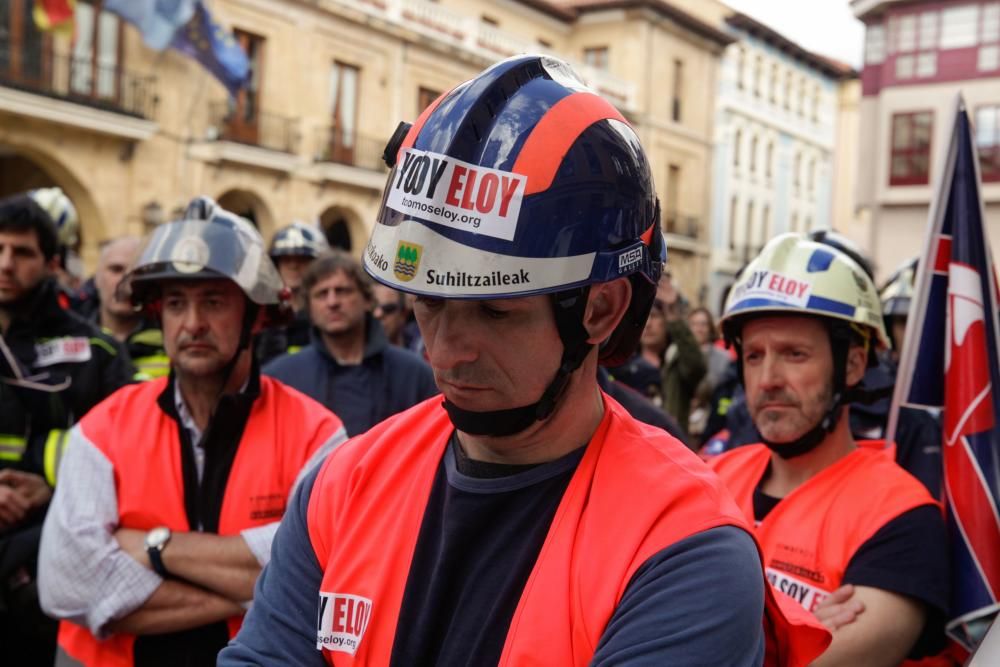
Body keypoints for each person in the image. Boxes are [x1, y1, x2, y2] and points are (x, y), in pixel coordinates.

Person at [221, 54, 828, 666]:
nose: (445, 351)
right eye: (427, 303)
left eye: (494, 311)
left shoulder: (683, 543)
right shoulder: (342, 483)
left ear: (600, 310)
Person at [37, 197, 348, 667]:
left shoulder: (317, 433)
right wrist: (258, 584)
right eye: (176, 303)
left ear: (257, 315)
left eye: (214, 301)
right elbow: (68, 584)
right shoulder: (103, 428)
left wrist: (149, 546)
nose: (193, 323)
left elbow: (325, 573)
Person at [708, 233, 949, 665]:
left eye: (794, 354)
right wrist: (796, 634)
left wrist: (702, 619)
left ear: (853, 364)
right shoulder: (709, 478)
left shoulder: (903, 517)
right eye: (755, 356)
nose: (768, 380)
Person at [0, 192, 133, 666]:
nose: (5, 264)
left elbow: (129, 462)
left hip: (49, 570)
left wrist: (52, 485)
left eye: (22, 252)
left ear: (53, 262)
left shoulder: (96, 353)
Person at [264, 251, 438, 437]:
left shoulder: (414, 375)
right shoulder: (281, 379)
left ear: (367, 301)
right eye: (322, 294)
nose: (332, 302)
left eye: (342, 291)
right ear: (310, 310)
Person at [92, 235, 170, 379]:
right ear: (96, 278)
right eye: (116, 269)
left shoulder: (171, 341)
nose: (125, 282)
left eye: (138, 272)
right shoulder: (75, 339)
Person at [256, 221, 329, 365]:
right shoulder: (262, 313)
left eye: (302, 259)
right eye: (286, 259)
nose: (293, 265)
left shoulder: (329, 310)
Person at [687, 306, 733, 439]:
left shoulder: (723, 357)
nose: (699, 329)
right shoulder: (675, 354)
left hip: (711, 421)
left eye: (703, 324)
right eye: (694, 324)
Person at [372, 282, 411, 348]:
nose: (378, 314)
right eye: (372, 307)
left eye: (388, 308)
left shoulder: (420, 349)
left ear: (403, 314)